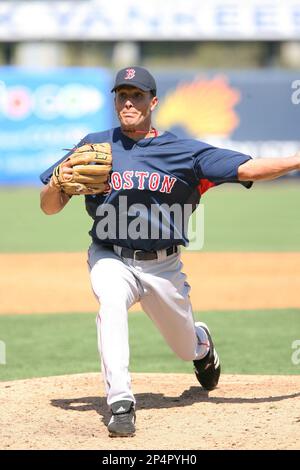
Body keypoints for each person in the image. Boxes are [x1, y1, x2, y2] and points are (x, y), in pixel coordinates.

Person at [40, 66, 300, 438]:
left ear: (153, 102)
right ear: (114, 101)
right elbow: (49, 206)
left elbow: (250, 168)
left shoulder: (185, 152)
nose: (128, 102)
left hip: (164, 267)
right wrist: (59, 183)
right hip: (109, 255)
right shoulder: (93, 144)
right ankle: (121, 402)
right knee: (111, 303)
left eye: (137, 95)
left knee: (184, 348)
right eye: (122, 95)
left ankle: (202, 345)